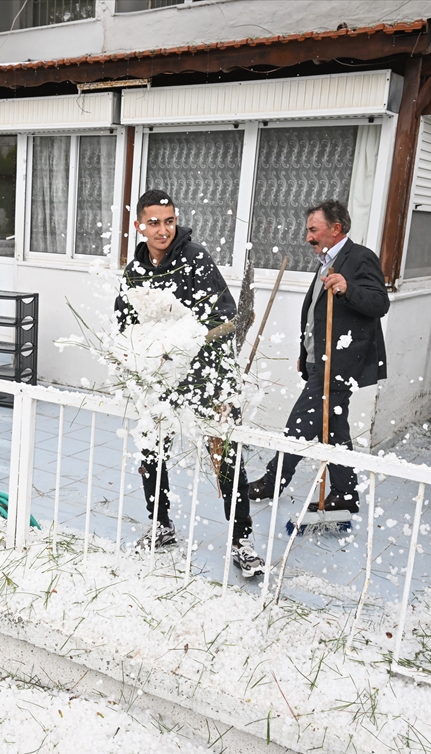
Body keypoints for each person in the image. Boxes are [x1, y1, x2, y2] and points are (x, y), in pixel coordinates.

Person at [114, 189, 254, 568]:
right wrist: (133, 353)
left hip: (208, 372)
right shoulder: (136, 271)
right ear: (139, 225)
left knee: (224, 455)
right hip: (161, 379)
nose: (164, 230)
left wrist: (182, 343)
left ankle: (242, 540)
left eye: (170, 221)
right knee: (151, 449)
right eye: (155, 222)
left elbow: (226, 316)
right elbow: (125, 323)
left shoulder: (195, 260)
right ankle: (161, 525)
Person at [248, 200, 390, 513]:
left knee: (299, 424)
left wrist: (348, 288)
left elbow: (380, 303)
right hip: (319, 361)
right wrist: (305, 354)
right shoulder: (325, 261)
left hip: (339, 364)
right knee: (334, 428)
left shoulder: (360, 258)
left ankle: (274, 480)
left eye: (314, 230)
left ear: (335, 229)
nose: (308, 237)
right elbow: (317, 313)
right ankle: (345, 493)